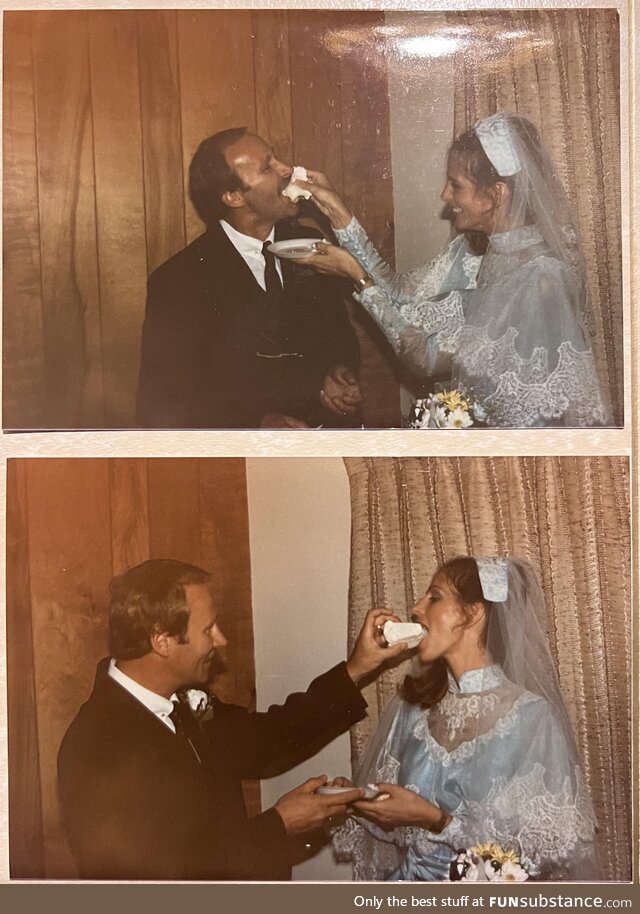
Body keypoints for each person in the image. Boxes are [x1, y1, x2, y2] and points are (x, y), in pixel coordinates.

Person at [57, 559, 406, 881]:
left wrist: (357, 668)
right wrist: (280, 825)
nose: (221, 640)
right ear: (162, 641)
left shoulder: (181, 701)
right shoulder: (97, 747)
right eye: (208, 629)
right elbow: (167, 879)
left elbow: (268, 736)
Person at [294, 112, 610, 427]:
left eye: (455, 185)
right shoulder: (475, 248)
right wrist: (338, 213)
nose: (445, 195)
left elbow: (425, 358)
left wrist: (359, 278)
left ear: (496, 194)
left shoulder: (541, 277)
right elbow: (402, 291)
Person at [330, 556, 598, 881]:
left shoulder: (534, 720)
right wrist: (357, 802)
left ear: (473, 613)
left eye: (434, 596)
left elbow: (538, 861)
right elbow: (392, 832)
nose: (416, 607)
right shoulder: (411, 709)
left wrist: (437, 820)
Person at [136, 128, 361, 429]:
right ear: (233, 196)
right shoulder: (179, 281)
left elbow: (340, 337)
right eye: (268, 166)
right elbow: (160, 403)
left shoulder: (310, 243)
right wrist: (256, 424)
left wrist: (336, 372)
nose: (287, 169)